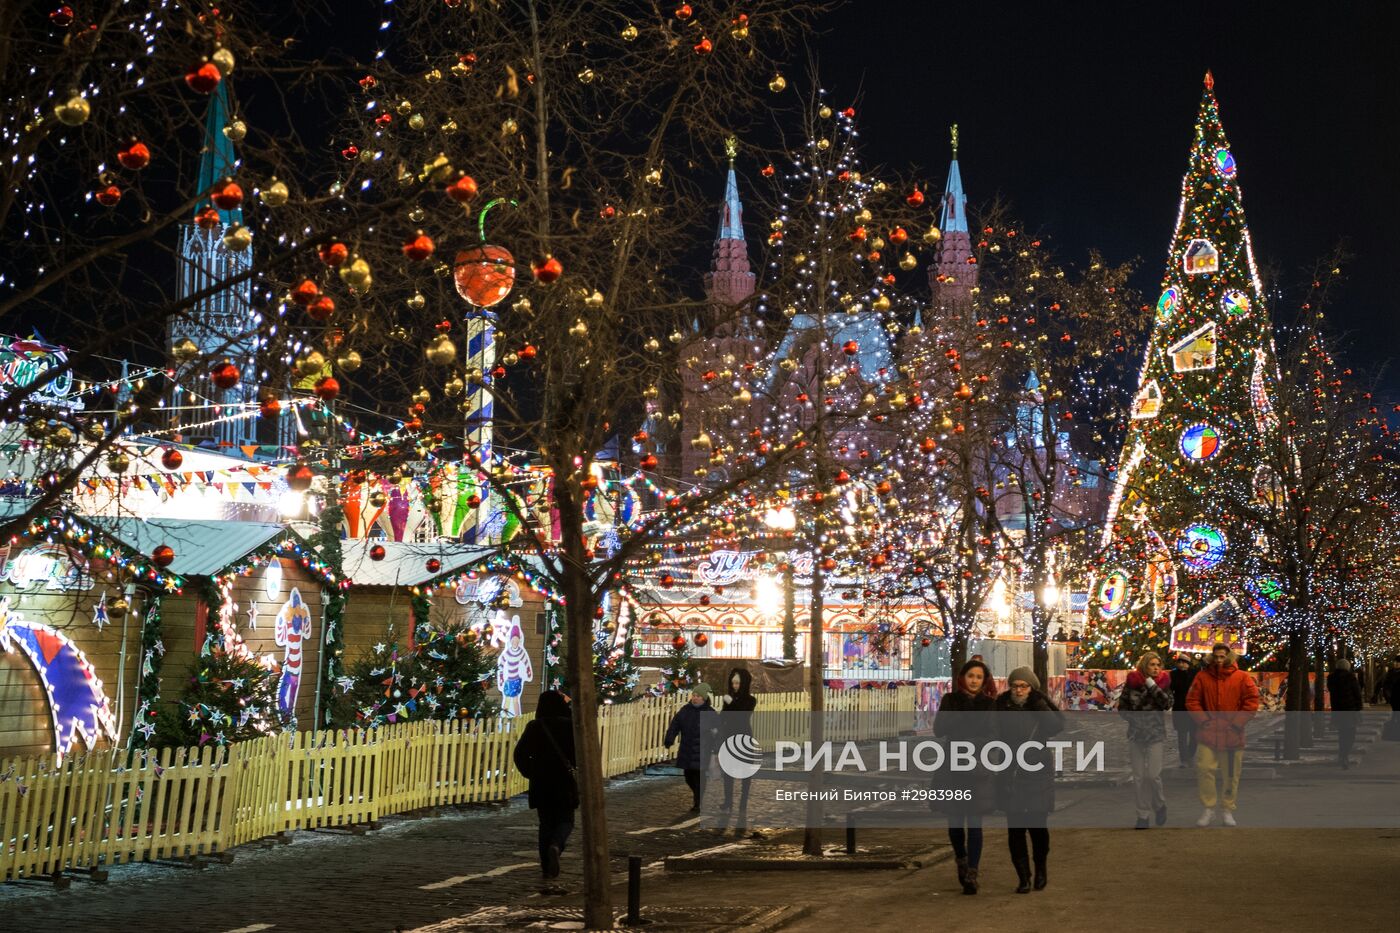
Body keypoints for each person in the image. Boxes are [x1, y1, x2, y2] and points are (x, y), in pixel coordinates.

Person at [995, 667, 1064, 893]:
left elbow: (1056, 726)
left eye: (1023, 686)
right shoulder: (1002, 705)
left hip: (1037, 772)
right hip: (1011, 773)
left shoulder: (1039, 704)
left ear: (1031, 688)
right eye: (1015, 685)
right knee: (1015, 829)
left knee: (1037, 827)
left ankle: (1041, 868)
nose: (1018, 689)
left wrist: (1039, 704)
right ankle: (1023, 876)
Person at [934, 659, 997, 895]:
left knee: (975, 823)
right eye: (971, 676)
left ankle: (972, 871)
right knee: (954, 822)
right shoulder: (950, 701)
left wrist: (971, 743)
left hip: (977, 767)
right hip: (951, 768)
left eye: (979, 677)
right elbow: (940, 729)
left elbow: (993, 735)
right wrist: (962, 715)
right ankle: (961, 858)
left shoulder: (990, 704)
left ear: (984, 680)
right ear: (963, 677)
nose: (974, 680)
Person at [1185, 643, 1260, 826]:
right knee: (1204, 770)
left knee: (1231, 774)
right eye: (1216, 657)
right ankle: (1208, 808)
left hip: (1232, 733)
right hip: (1208, 733)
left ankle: (1227, 808)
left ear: (1229, 657)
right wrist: (1203, 721)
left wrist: (1237, 724)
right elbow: (1192, 700)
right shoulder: (1202, 677)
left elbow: (1251, 701)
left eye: (1222, 657)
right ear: (1212, 657)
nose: (1219, 660)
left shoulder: (1242, 678)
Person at [512, 690, 577, 887]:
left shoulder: (535, 726)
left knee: (545, 823)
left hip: (541, 781)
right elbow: (579, 753)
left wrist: (530, 772)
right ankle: (556, 845)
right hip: (564, 780)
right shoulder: (570, 726)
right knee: (566, 819)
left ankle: (546, 866)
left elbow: (520, 754)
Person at [1117, 652, 1172, 828]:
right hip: (1136, 734)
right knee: (1139, 777)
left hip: (1155, 734)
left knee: (1153, 775)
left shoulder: (1163, 683)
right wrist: (1133, 719)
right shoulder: (1132, 683)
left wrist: (1151, 685)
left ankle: (1159, 805)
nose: (1156, 668)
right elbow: (1122, 707)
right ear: (1144, 666)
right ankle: (1142, 815)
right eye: (1152, 665)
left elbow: (1166, 704)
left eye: (1158, 664)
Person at [664, 683, 718, 811]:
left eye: (698, 696)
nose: (695, 698)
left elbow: (717, 732)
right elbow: (675, 725)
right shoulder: (685, 710)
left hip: (702, 750)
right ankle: (696, 794)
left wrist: (716, 748)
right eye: (693, 695)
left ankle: (698, 801)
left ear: (704, 698)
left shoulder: (710, 713)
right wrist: (669, 739)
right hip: (687, 749)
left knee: (700, 776)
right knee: (688, 775)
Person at [718, 667, 757, 831]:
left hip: (743, 738)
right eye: (733, 683)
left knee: (745, 773)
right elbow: (724, 717)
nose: (735, 686)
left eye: (737, 683)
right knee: (728, 772)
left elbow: (741, 714)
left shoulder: (750, 700)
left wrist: (730, 703)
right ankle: (728, 801)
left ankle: (742, 804)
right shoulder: (729, 699)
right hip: (729, 737)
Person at [1326, 658, 1363, 769]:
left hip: (1338, 711)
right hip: (1350, 710)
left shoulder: (1331, 678)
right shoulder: (1351, 678)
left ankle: (1342, 755)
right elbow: (1357, 693)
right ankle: (1344, 755)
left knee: (1342, 734)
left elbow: (1332, 691)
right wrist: (1359, 708)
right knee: (1351, 735)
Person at [1169, 654, 1199, 767]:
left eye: (1184, 662)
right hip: (1179, 708)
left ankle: (1190, 755)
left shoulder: (1195, 674)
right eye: (1180, 662)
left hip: (1193, 708)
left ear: (1188, 664)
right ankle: (1184, 759)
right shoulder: (1173, 674)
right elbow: (1171, 688)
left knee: (1194, 735)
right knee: (1181, 735)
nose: (1182, 664)